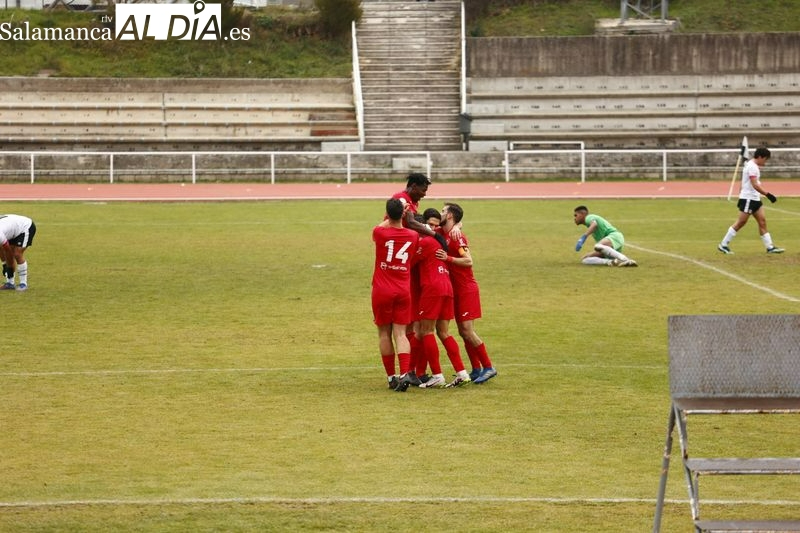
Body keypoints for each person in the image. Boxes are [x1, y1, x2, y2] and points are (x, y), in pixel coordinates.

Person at [435, 203, 497, 384]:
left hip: (466, 289)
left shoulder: (458, 237)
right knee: (463, 331)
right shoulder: (443, 232)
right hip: (455, 289)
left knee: (467, 331)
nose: (440, 213)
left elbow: (468, 260)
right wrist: (457, 225)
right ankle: (476, 369)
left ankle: (488, 367)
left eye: (443, 211)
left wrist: (448, 258)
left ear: (450, 215)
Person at [411, 207, 471, 389]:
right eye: (429, 225)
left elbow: (409, 262)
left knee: (426, 331)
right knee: (444, 333)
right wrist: (458, 225)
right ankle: (462, 373)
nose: (431, 228)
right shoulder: (439, 240)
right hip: (447, 287)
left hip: (433, 289)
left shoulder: (426, 242)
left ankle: (437, 375)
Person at [371, 198, 420, 391]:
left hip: (382, 290)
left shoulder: (380, 233)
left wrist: (391, 216)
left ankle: (391, 377)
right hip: (403, 290)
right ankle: (404, 373)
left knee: (384, 333)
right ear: (403, 214)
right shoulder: (413, 235)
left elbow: (379, 226)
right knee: (401, 333)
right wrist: (405, 213)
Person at [717, 147, 784, 254]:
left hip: (755, 198)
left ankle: (770, 247)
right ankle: (723, 244)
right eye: (765, 159)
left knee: (762, 222)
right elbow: (755, 184)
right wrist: (768, 194)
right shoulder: (752, 167)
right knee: (741, 222)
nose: (765, 162)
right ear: (760, 157)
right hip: (749, 199)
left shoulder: (751, 165)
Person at [573, 206, 637, 267]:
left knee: (598, 246)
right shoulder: (589, 225)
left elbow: (594, 224)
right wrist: (590, 255)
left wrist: (583, 238)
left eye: (576, 215)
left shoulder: (588, 217)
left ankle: (625, 259)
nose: (575, 218)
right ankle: (612, 262)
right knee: (585, 259)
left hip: (614, 236)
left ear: (582, 214)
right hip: (610, 247)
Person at [0, 214, 36, 292]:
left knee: (17, 254)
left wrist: (8, 268)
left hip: (25, 227)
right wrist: (4, 264)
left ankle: (23, 283)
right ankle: (10, 283)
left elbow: (7, 251)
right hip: (12, 230)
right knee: (4, 251)